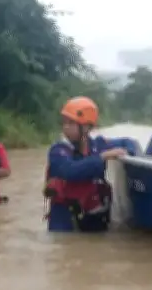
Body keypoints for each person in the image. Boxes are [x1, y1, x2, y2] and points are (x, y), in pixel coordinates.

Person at [44, 96, 139, 233]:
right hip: (64, 222)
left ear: (87, 127)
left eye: (71, 123)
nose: (66, 127)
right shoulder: (58, 150)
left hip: (93, 218)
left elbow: (129, 142)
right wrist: (102, 157)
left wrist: (128, 152)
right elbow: (71, 171)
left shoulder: (98, 144)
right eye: (64, 123)